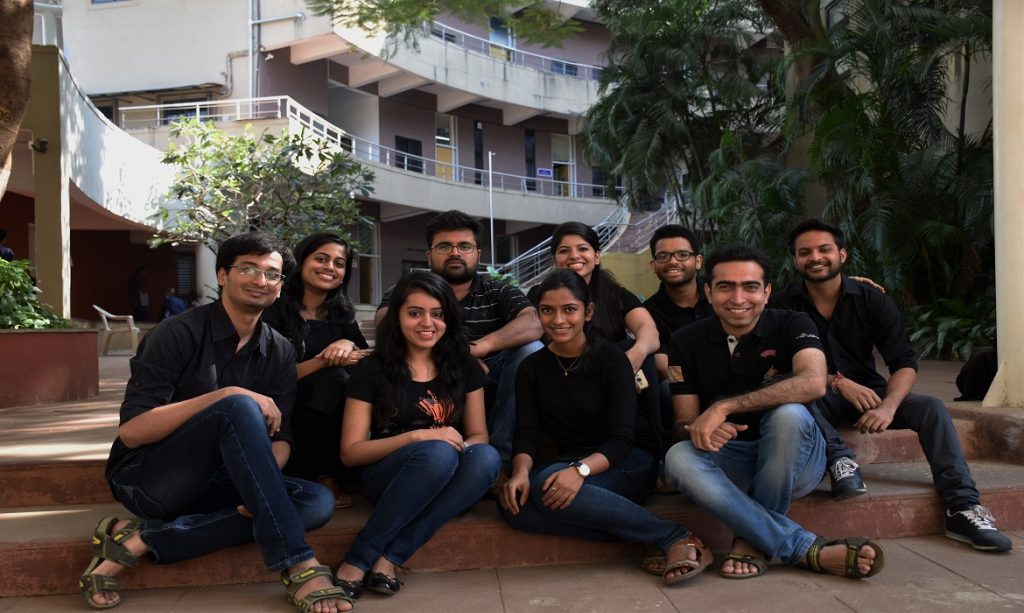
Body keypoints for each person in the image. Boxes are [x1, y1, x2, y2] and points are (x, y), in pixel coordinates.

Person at [81, 233, 351, 612]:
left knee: (316, 502)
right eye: (248, 269)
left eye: (272, 274)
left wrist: (260, 487)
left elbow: (281, 436)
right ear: (223, 275)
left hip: (223, 481)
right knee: (235, 405)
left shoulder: (279, 350)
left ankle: (141, 539)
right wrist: (225, 395)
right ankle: (298, 563)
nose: (261, 280)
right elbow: (133, 430)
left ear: (279, 287)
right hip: (149, 478)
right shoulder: (176, 333)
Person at [770, 218, 1012, 551]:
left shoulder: (872, 299)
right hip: (816, 398)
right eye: (805, 252)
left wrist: (888, 407)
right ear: (795, 259)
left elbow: (904, 363)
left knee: (930, 408)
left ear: (842, 254)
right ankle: (840, 460)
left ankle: (962, 506)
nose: (815, 258)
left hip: (870, 396)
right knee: (791, 391)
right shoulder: (782, 304)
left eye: (824, 249)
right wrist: (837, 381)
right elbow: (781, 369)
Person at [663, 244, 886, 580]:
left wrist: (724, 407)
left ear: (766, 292)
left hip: (796, 463)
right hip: (731, 462)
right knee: (678, 456)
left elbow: (814, 382)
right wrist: (698, 427)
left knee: (789, 415)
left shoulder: (793, 323)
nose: (738, 298)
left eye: (750, 286)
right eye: (726, 286)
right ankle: (801, 548)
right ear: (708, 292)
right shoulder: (685, 340)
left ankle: (753, 539)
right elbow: (683, 420)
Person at [500, 269, 711, 586]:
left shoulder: (612, 360)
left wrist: (579, 471)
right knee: (513, 508)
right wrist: (519, 473)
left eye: (569, 309)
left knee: (546, 486)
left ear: (588, 312)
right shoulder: (532, 367)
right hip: (574, 458)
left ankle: (673, 535)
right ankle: (640, 536)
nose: (558, 320)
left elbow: (621, 440)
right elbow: (527, 433)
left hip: (629, 459)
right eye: (547, 310)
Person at [334, 271, 500, 599]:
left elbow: (479, 434)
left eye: (437, 314)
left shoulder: (463, 365)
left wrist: (456, 449)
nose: (427, 323)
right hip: (388, 478)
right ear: (397, 317)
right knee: (436, 452)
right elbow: (351, 452)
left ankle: (391, 557)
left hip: (445, 470)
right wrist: (418, 437)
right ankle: (359, 559)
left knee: (487, 457)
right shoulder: (373, 368)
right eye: (415, 313)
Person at [376, 210, 542, 469]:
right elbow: (385, 325)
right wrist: (458, 357)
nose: (455, 253)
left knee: (531, 350)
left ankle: (499, 460)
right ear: (429, 254)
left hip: (489, 381)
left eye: (464, 246)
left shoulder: (496, 290)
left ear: (478, 253)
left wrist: (478, 348)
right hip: (428, 379)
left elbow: (534, 322)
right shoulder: (407, 291)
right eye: (444, 246)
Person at [263, 233, 371, 509]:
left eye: (339, 263)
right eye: (321, 259)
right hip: (285, 403)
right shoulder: (275, 307)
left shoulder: (341, 313)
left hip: (332, 405)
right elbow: (271, 377)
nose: (330, 267)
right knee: (334, 378)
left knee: (350, 381)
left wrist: (346, 342)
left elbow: (364, 358)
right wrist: (324, 361)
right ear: (301, 262)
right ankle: (324, 474)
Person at [642, 224, 713, 428]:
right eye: (663, 256)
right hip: (683, 386)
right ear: (653, 265)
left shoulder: (721, 294)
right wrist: (699, 378)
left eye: (682, 255)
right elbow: (662, 365)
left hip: (734, 377)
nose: (673, 261)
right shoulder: (648, 312)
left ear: (697, 261)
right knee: (667, 387)